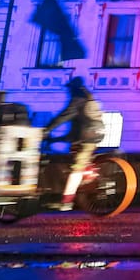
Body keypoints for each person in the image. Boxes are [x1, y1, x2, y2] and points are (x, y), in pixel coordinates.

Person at [42, 76, 106, 211]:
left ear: (72, 89)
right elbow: (73, 134)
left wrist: (47, 130)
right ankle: (89, 174)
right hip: (96, 133)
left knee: (76, 168)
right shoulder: (90, 99)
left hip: (87, 136)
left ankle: (66, 202)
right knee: (81, 156)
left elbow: (63, 116)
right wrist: (55, 139)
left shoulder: (78, 101)